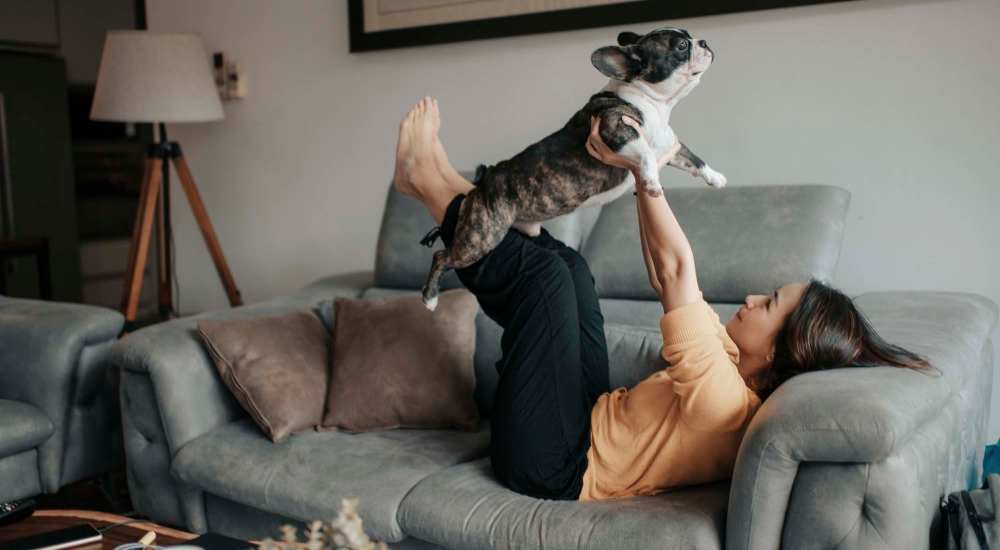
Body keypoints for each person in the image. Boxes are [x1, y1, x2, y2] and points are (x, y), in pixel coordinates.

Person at [392, 97, 931, 502]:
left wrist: (642, 169)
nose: (749, 298)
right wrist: (636, 175)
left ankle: (429, 185)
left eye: (768, 304)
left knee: (544, 283)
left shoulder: (724, 403)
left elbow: (677, 271)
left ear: (779, 354)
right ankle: (441, 183)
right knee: (571, 269)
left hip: (551, 466)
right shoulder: (728, 364)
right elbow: (660, 270)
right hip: (581, 418)